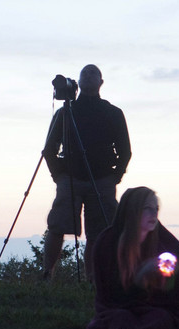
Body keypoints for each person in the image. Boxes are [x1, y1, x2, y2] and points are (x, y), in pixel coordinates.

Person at [46, 187, 179, 329]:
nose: (153, 214)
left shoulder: (168, 245)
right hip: (119, 308)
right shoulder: (108, 243)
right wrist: (139, 277)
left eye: (156, 209)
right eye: (147, 208)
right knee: (118, 319)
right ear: (132, 211)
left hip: (156, 310)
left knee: (159, 320)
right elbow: (108, 296)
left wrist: (162, 283)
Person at [42, 64, 132, 281]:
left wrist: (114, 177)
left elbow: (125, 151)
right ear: (78, 83)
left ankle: (93, 279)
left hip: (101, 179)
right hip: (70, 178)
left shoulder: (113, 113)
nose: (89, 76)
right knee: (57, 226)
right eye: (85, 73)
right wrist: (59, 176)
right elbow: (49, 149)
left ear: (101, 82)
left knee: (99, 232)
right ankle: (47, 274)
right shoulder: (66, 113)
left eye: (94, 74)